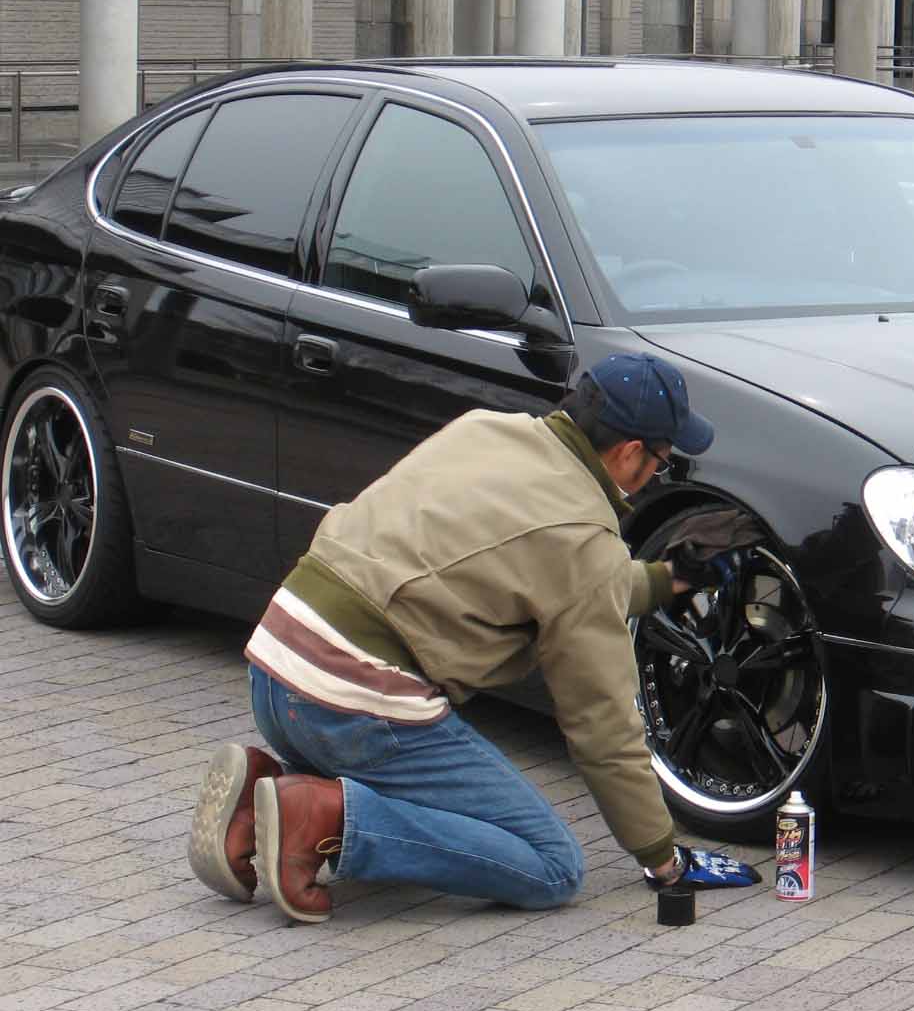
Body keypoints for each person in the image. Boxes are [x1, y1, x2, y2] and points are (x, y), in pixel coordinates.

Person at [186, 352, 759, 923]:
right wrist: (662, 859)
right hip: (352, 707)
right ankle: (319, 813)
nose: (657, 473)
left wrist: (668, 578)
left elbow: (570, 582)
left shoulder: (485, 428)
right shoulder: (583, 536)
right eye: (662, 461)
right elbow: (601, 723)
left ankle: (260, 799)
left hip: (275, 667)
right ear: (631, 452)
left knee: (430, 808)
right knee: (550, 865)